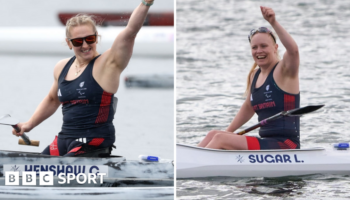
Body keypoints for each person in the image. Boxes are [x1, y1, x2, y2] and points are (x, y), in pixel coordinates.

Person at [12, 0, 155, 156]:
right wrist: (29, 124)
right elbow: (53, 100)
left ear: (96, 37)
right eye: (78, 41)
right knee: (36, 166)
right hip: (64, 140)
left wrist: (145, 3)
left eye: (90, 39)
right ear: (69, 43)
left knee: (57, 170)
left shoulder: (108, 64)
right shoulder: (61, 67)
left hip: (95, 141)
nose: (86, 45)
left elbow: (130, 31)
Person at [198, 6, 300, 150]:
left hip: (286, 145)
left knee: (220, 138)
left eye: (264, 46)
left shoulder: (284, 70)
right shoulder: (255, 75)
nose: (259, 51)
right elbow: (248, 107)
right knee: (213, 134)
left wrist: (273, 22)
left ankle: (193, 166)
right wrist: (227, 133)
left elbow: (293, 50)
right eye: (254, 47)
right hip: (267, 142)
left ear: (275, 48)